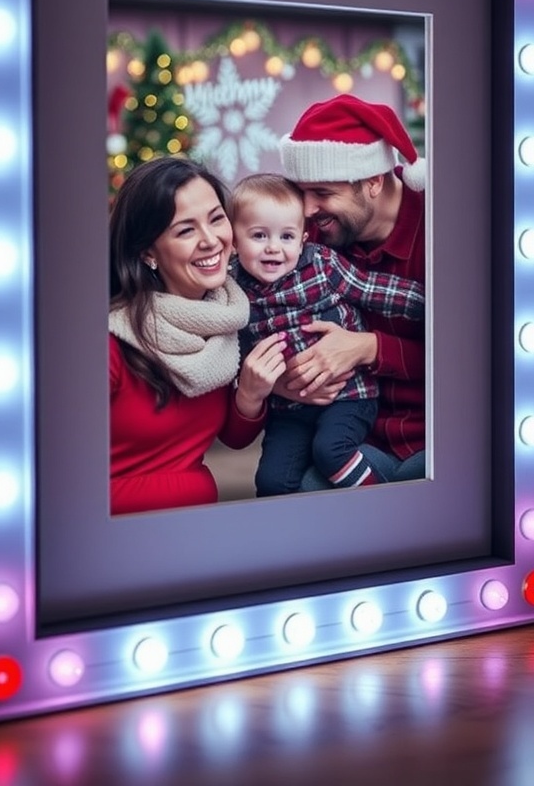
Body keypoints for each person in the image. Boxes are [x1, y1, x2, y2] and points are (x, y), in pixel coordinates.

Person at [109, 156, 287, 515]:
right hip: (118, 533)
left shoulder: (223, 318)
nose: (211, 241)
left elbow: (233, 438)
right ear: (148, 253)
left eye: (216, 219)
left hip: (198, 530)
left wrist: (250, 396)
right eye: (185, 230)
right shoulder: (113, 342)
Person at [230, 173, 424, 496]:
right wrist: (265, 385)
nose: (274, 248)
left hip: (348, 396)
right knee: (272, 480)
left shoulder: (320, 265)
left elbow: (375, 290)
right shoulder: (235, 290)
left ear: (304, 238)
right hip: (289, 409)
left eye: (287, 237)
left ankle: (382, 506)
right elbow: (233, 354)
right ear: (234, 241)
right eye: (259, 236)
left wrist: (431, 304)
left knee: (330, 452)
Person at [279, 93, 426, 487]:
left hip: (438, 439)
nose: (307, 209)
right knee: (304, 488)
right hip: (353, 439)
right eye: (301, 192)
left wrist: (368, 347)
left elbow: (470, 360)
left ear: (374, 182)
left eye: (323, 193)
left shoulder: (439, 227)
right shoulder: (309, 239)